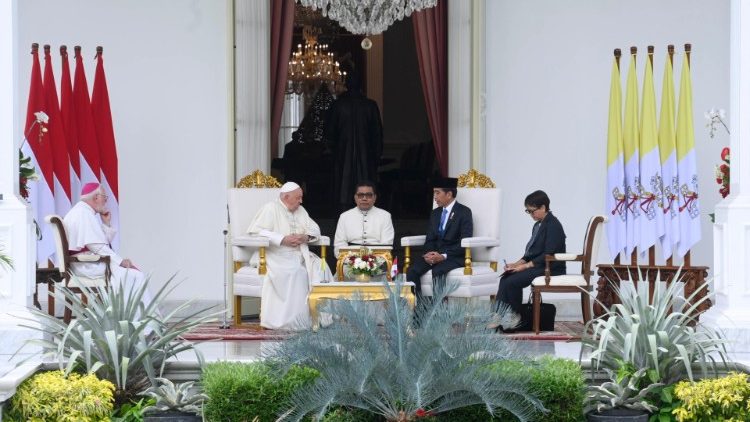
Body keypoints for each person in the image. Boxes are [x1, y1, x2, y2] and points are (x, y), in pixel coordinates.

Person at [247, 181, 332, 330]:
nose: (301, 201)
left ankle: (319, 319)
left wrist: (305, 237)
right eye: (298, 197)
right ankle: (294, 323)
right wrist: (282, 239)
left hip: (300, 253)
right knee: (296, 272)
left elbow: (315, 228)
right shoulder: (270, 208)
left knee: (322, 269)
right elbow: (258, 231)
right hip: (276, 254)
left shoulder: (301, 210)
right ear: (286, 197)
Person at [63, 182, 152, 307]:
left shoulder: (81, 211)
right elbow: (97, 246)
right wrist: (120, 261)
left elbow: (100, 242)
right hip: (87, 265)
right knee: (135, 275)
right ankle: (135, 320)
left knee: (131, 274)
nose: (105, 201)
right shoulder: (84, 214)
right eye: (104, 197)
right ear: (96, 197)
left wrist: (106, 224)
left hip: (86, 262)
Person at [494, 190, 566, 332]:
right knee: (506, 277)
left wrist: (525, 267)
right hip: (539, 265)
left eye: (533, 211)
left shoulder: (553, 225)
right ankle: (500, 315)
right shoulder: (538, 225)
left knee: (513, 281)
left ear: (543, 207)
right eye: (528, 211)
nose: (531, 215)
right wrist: (515, 264)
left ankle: (513, 318)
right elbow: (530, 254)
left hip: (550, 267)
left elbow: (548, 254)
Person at [325, 72, 384, 211]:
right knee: (365, 191)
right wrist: (376, 158)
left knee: (343, 195)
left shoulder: (338, 105)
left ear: (347, 85)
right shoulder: (370, 106)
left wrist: (334, 153)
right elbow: (377, 136)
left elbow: (329, 135)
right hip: (366, 158)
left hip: (342, 158)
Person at [406, 177, 473, 298]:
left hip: (454, 257)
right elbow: (430, 239)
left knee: (438, 271)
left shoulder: (464, 212)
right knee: (412, 271)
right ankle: (420, 311)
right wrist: (430, 254)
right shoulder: (435, 213)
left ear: (449, 194)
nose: (435, 197)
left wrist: (443, 256)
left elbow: (464, 241)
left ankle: (439, 313)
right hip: (434, 255)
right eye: (434, 193)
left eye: (437, 193)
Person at [333, 180, 394, 256]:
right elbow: (339, 244)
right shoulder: (344, 216)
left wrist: (373, 262)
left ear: (375, 197)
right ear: (355, 197)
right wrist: (351, 261)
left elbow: (386, 244)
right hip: (350, 260)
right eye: (360, 195)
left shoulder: (385, 216)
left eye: (368, 195)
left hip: (378, 261)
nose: (364, 198)